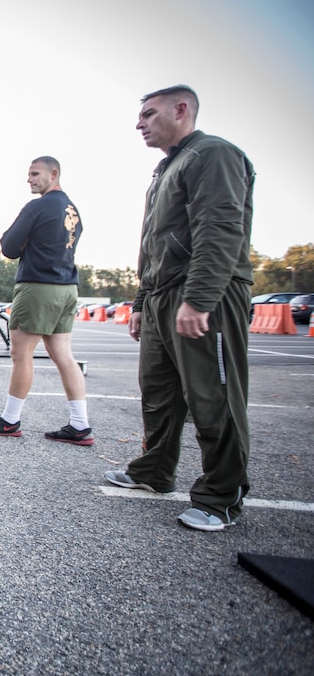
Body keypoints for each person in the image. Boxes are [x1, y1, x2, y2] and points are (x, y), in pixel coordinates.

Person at [104, 85, 254, 532]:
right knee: (159, 393)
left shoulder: (213, 155)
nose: (139, 123)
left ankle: (221, 496)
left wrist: (199, 299)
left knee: (213, 397)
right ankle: (154, 471)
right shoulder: (168, 167)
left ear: (181, 110)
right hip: (162, 296)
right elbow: (152, 244)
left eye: (149, 114)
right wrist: (140, 303)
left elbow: (220, 230)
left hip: (204, 293)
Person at [0, 156, 92, 445]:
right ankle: (80, 424)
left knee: (21, 354)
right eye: (28, 174)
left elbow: (9, 246)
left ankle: (10, 420)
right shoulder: (72, 209)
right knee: (63, 354)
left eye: (35, 173)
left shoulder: (38, 206)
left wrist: (25, 243)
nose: (29, 179)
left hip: (39, 285)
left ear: (54, 174)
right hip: (67, 287)